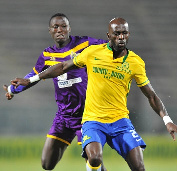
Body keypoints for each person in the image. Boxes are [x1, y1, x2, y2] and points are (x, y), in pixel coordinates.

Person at [11, 17, 177, 171]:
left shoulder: (135, 62)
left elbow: (151, 95)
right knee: (80, 159)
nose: (121, 37)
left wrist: (167, 121)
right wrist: (29, 81)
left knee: (138, 166)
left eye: (124, 33)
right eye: (116, 34)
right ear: (109, 35)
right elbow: (62, 66)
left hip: (119, 121)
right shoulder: (92, 53)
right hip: (87, 119)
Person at [3, 13, 108, 171]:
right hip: (63, 116)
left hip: (87, 115)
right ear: (50, 31)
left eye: (64, 26)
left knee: (92, 159)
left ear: (69, 29)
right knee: (47, 164)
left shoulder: (85, 43)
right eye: (56, 27)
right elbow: (33, 77)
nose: (60, 29)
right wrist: (12, 90)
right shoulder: (47, 55)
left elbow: (109, 47)